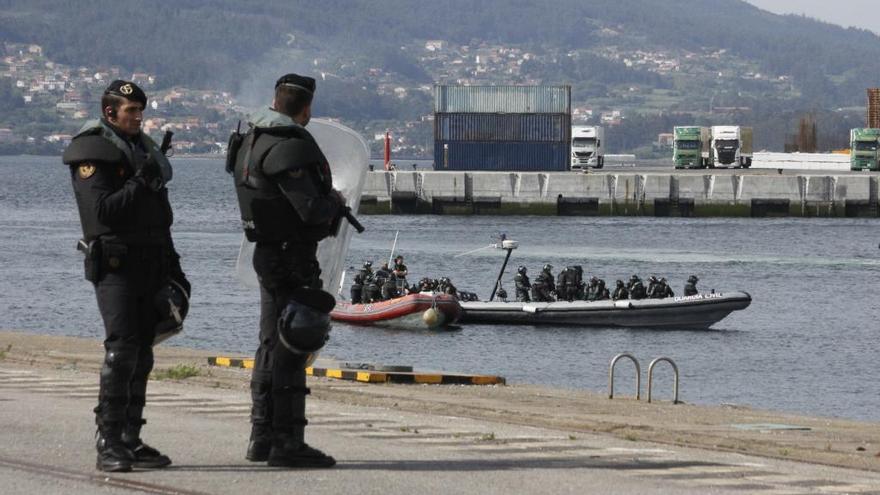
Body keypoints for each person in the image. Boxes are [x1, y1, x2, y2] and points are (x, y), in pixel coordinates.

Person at [62, 80, 190, 472]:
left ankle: (131, 438)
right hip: (116, 265)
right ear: (109, 113)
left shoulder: (140, 150)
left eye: (140, 111)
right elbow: (104, 213)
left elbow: (160, 219)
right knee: (121, 352)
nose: (137, 118)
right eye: (129, 111)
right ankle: (108, 440)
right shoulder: (92, 152)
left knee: (144, 353)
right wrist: (140, 181)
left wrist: (174, 267)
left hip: (152, 261)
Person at [229, 73, 343, 468]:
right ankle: (287, 441)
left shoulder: (251, 138)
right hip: (289, 255)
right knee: (293, 346)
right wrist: (334, 203)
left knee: (269, 344)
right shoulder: (289, 145)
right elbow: (309, 208)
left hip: (265, 251)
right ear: (306, 107)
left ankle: (261, 436)